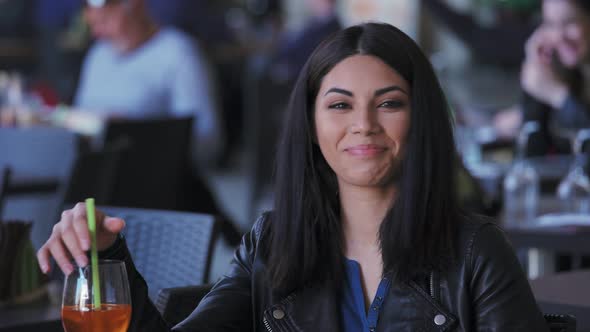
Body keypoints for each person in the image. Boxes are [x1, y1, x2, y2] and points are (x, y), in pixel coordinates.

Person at [37, 23, 548, 331]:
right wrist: (102, 257)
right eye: (339, 105)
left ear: (422, 121)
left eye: (389, 103)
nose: (363, 124)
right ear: (311, 123)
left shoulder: (477, 253)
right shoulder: (271, 244)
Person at [74, 0, 225, 166]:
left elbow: (207, 140)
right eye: (93, 23)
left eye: (105, 20)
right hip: (93, 173)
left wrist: (134, 133)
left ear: (135, 5)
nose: (97, 32)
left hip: (151, 174)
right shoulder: (98, 54)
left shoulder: (177, 53)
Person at [497, 0, 590, 155]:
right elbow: (534, 150)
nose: (559, 36)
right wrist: (535, 65)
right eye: (551, 24)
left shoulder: (559, 87)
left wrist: (558, 96)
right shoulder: (569, 73)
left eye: (570, 22)